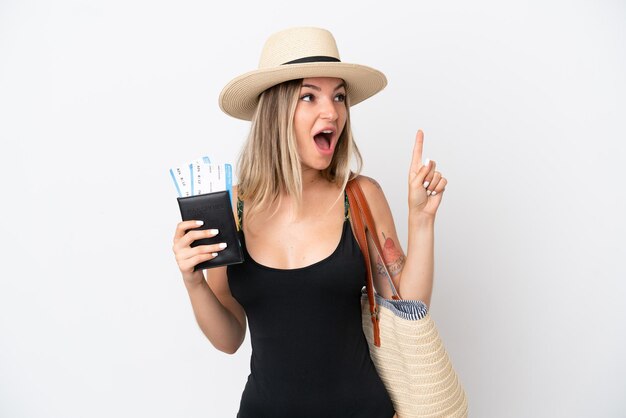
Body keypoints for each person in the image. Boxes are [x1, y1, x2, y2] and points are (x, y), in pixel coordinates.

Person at [172, 27, 447, 418]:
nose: (332, 111)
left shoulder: (360, 196)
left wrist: (421, 221)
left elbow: (410, 312)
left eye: (339, 96)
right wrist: (193, 281)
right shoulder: (232, 208)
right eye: (309, 96)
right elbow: (230, 338)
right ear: (276, 111)